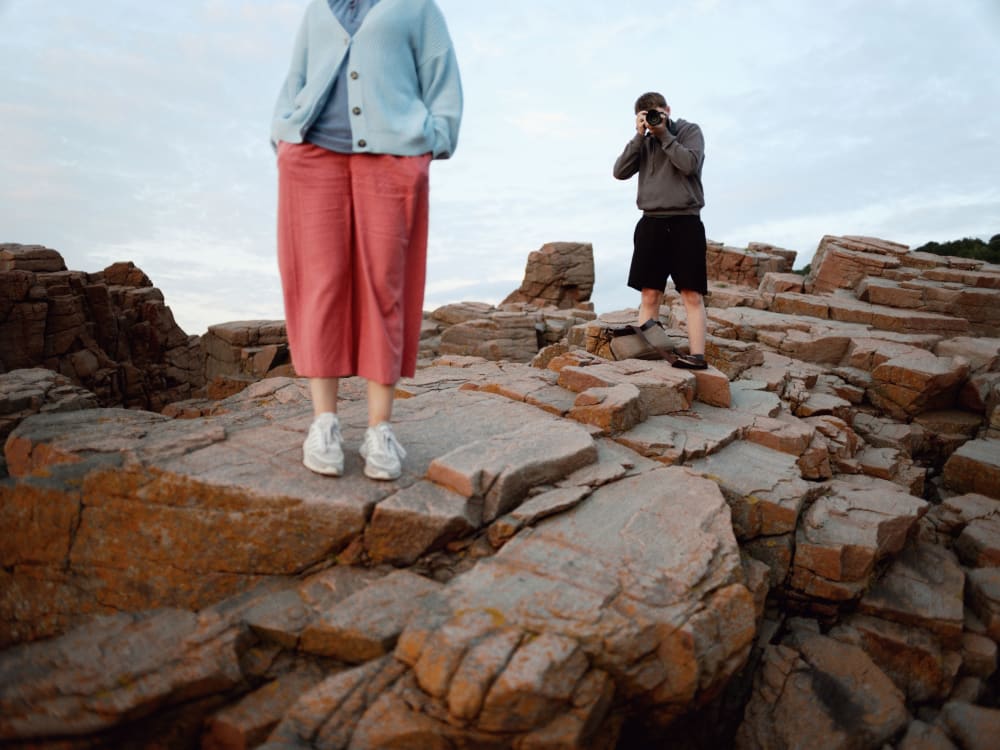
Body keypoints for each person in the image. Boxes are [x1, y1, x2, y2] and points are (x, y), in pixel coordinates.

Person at [271, 0, 462, 480]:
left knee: (384, 285)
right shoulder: (319, 8)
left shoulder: (416, 7)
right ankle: (325, 424)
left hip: (392, 159)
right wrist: (283, 137)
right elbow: (295, 79)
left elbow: (442, 78)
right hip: (313, 157)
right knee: (322, 283)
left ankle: (380, 429)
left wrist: (431, 143)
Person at [612, 91, 708, 370]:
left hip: (686, 222)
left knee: (691, 294)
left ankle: (698, 357)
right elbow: (619, 172)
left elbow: (689, 165)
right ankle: (650, 355)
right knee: (650, 294)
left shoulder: (689, 131)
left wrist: (664, 134)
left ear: (668, 109)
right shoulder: (643, 141)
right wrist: (639, 136)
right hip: (651, 222)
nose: (654, 119)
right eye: (648, 117)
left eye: (658, 113)